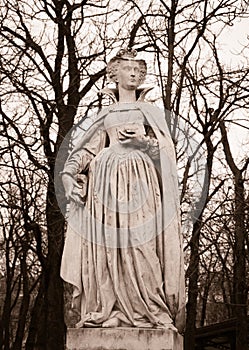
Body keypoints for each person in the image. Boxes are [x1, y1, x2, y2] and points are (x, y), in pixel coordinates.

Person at [60, 48, 185, 333]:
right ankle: (107, 309)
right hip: (105, 183)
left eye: (137, 70)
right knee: (106, 248)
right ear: (115, 73)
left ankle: (150, 310)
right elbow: (86, 151)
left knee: (142, 244)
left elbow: (165, 155)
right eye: (127, 68)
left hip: (140, 181)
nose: (133, 73)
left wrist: (145, 141)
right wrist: (68, 176)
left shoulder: (150, 112)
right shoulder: (105, 114)